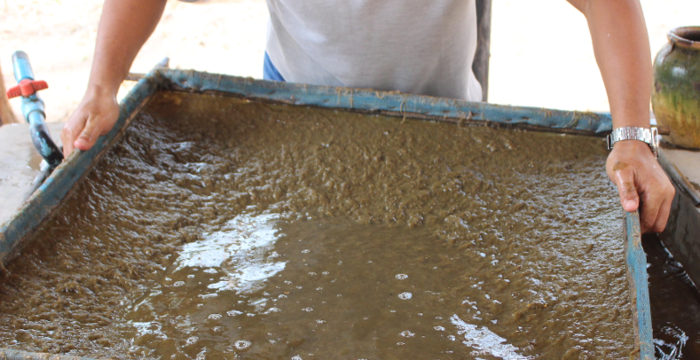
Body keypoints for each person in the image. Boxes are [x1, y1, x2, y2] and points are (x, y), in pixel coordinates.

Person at [61, 0, 675, 233]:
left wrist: (632, 138)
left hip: (443, 128)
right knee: (303, 269)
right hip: (297, 119)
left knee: (440, 281)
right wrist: (101, 87)